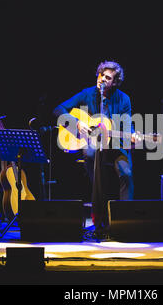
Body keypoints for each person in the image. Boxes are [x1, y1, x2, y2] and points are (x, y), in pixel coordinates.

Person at [53, 60, 140, 235]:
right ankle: (99, 217)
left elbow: (127, 126)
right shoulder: (87, 94)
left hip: (115, 147)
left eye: (108, 78)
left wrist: (133, 135)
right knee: (91, 154)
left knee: (126, 174)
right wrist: (77, 124)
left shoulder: (123, 99)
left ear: (115, 82)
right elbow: (58, 109)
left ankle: (124, 219)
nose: (102, 80)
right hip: (94, 145)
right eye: (101, 75)